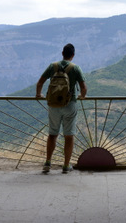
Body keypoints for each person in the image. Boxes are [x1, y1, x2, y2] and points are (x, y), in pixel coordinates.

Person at [35, 43, 87, 173]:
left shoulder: (53, 66)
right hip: (70, 104)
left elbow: (40, 82)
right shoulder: (76, 68)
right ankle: (66, 165)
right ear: (73, 55)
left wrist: (38, 94)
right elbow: (84, 88)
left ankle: (47, 163)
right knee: (69, 136)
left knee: (53, 134)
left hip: (53, 105)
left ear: (62, 53)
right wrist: (82, 96)